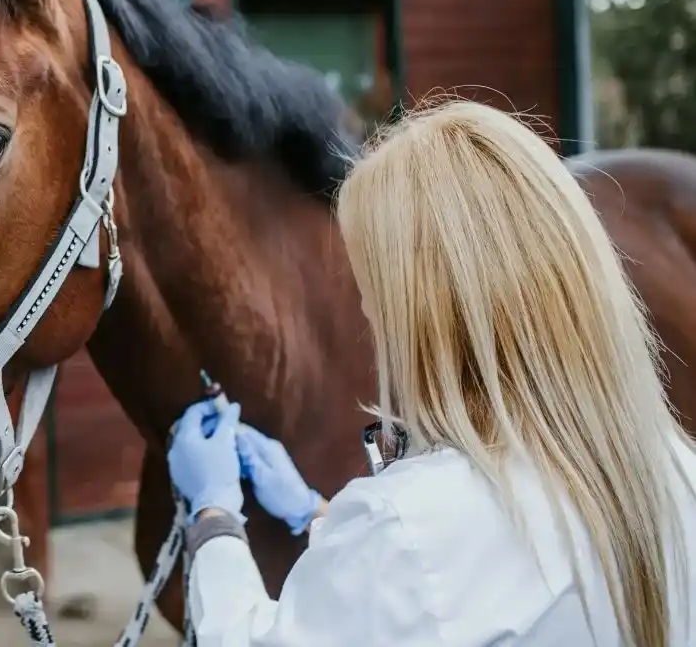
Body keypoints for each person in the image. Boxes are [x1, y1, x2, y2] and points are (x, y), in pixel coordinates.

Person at [167, 100, 696, 646]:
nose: (368, 314)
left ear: (422, 311)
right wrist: (313, 512)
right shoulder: (677, 471)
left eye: (372, 289)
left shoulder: (407, 530)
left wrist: (215, 515)